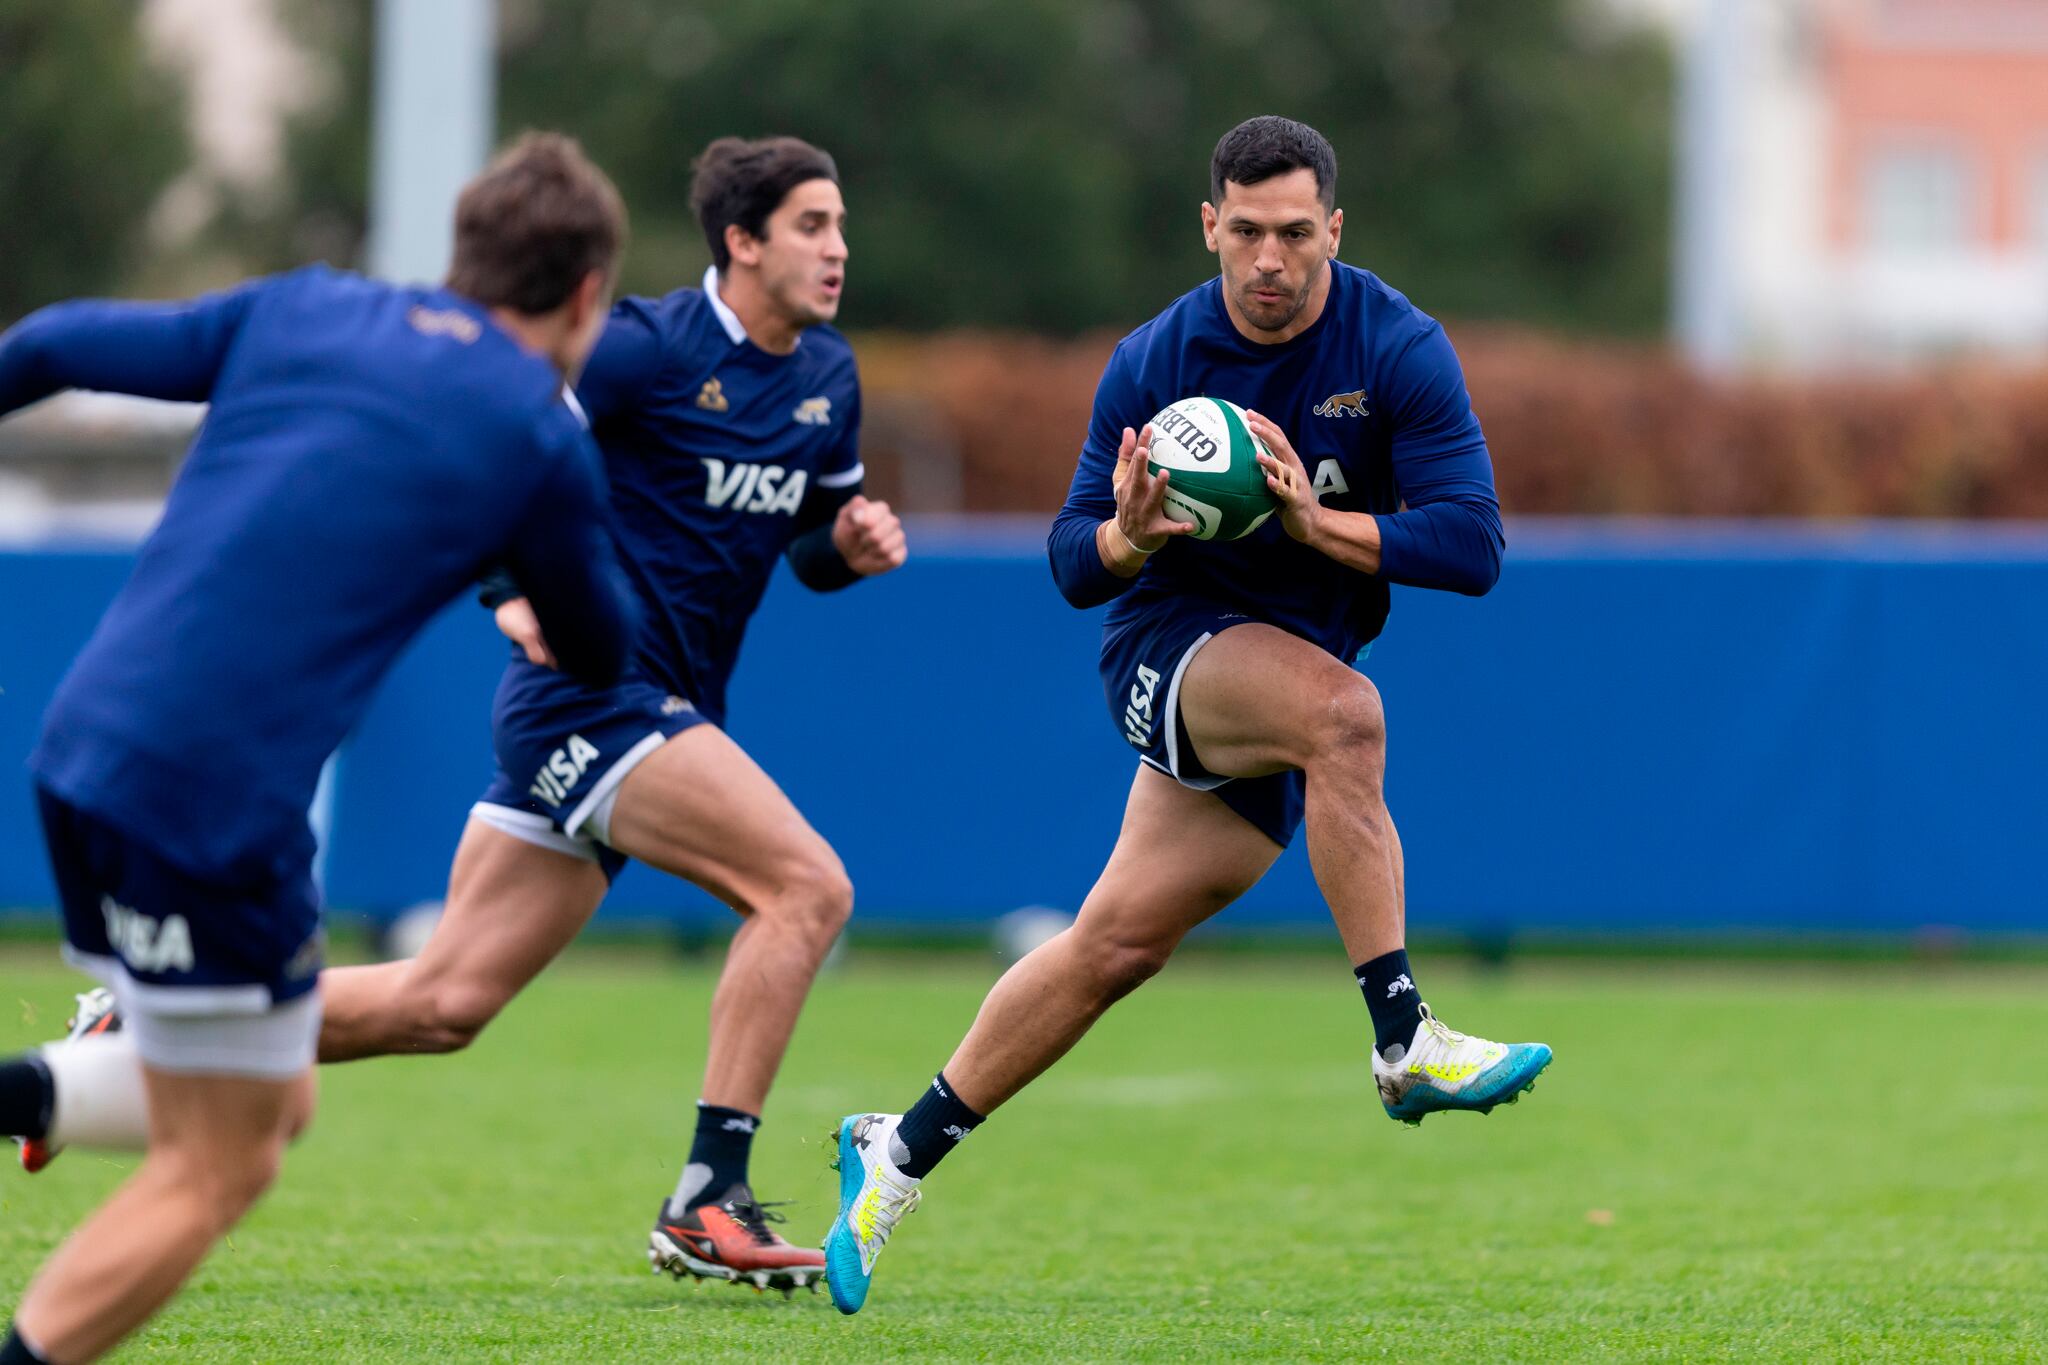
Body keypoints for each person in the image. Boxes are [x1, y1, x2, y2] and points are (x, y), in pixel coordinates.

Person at [8, 136, 901, 1296]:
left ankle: (118, 1033)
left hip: (657, 701)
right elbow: (505, 443)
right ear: (741, 241)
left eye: (839, 226)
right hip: (598, 700)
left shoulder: (829, 380)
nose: (837, 249)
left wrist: (843, 549)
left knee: (443, 1002)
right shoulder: (642, 346)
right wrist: (513, 591)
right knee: (807, 888)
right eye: (812, 225)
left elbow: (799, 549)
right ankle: (707, 1197)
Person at [819, 115, 1553, 1314]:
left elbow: (1471, 545)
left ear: (1333, 230)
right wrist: (1128, 533)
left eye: (1295, 234)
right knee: (1347, 721)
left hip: (1282, 672)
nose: (1271, 260)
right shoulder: (1155, 360)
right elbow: (1069, 560)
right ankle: (1402, 1038)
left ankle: (893, 1152)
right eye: (1247, 233)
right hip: (1168, 652)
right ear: (1209, 225)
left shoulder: (1395, 346)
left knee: (1109, 950)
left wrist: (1315, 526)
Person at [0, 134, 639, 1364]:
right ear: (582, 300)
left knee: (272, 1095)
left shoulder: (305, 309)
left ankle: (24, 1092)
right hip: (211, 803)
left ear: (463, 259)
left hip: (81, 754)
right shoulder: (534, 434)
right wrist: (526, 577)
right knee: (219, 1165)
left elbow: (51, 344)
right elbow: (605, 648)